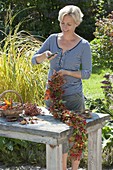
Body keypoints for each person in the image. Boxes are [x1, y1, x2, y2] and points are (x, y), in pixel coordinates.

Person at [31, 5, 92, 170]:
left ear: (76, 24)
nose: (65, 28)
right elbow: (33, 60)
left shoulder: (83, 45)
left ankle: (74, 168)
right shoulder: (52, 39)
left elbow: (87, 73)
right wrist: (43, 56)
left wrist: (67, 72)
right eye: (62, 23)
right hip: (53, 97)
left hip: (73, 97)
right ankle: (62, 168)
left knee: (76, 134)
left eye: (69, 24)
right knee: (57, 135)